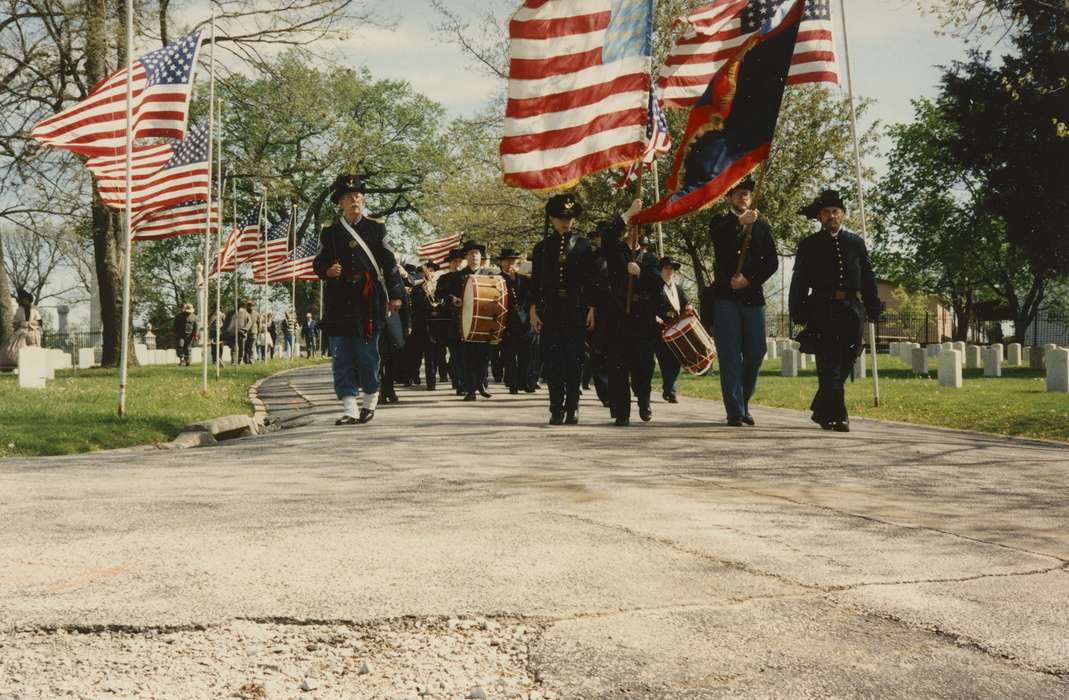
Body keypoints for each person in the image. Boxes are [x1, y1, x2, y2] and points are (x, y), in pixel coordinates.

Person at [314, 174, 404, 425]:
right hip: (339, 303)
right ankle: (349, 408)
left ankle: (370, 402)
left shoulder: (376, 227)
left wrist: (395, 294)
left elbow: (390, 264)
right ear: (340, 203)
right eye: (349, 197)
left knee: (368, 356)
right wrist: (326, 271)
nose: (355, 200)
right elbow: (318, 263)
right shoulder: (330, 232)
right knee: (342, 358)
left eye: (358, 196)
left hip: (369, 302)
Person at [790, 189, 881, 433]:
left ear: (843, 215)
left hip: (852, 310)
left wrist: (873, 306)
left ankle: (821, 408)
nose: (831, 216)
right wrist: (796, 310)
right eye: (826, 212)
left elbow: (868, 277)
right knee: (829, 362)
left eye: (836, 212)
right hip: (823, 309)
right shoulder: (809, 245)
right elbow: (799, 280)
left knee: (847, 361)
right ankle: (840, 416)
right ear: (820, 217)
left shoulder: (856, 243)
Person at [708, 177, 779, 427]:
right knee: (729, 355)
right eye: (738, 194)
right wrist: (739, 222)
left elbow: (772, 262)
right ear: (730, 197)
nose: (743, 198)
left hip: (752, 297)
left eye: (747, 194)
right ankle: (735, 411)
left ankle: (743, 402)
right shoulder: (720, 222)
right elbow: (718, 239)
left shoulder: (762, 227)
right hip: (726, 297)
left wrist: (749, 279)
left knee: (756, 351)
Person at [529, 193, 596, 425]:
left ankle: (573, 407)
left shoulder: (584, 245)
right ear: (553, 218)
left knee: (574, 360)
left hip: (575, 309)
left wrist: (591, 307)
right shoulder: (541, 248)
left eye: (569, 217)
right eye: (560, 217)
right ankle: (556, 408)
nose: (565, 222)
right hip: (551, 310)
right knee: (553, 360)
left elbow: (591, 281)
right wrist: (533, 309)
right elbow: (535, 283)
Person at [592, 207, 661, 426]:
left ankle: (644, 400)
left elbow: (659, 284)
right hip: (619, 316)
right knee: (618, 366)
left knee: (643, 366)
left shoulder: (650, 258)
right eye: (629, 227)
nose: (632, 232)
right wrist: (627, 213)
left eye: (636, 228)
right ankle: (621, 412)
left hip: (643, 319)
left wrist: (640, 272)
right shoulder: (616, 251)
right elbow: (609, 237)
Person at [439, 240, 494, 401]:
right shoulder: (457, 276)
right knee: (467, 356)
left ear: (480, 256)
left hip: (484, 321)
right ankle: (470, 389)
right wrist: (453, 299)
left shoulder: (490, 275)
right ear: (466, 257)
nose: (474, 256)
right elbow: (442, 293)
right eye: (471, 254)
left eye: (477, 253)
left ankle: (481, 383)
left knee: (484, 356)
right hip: (464, 320)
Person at [654, 256, 693, 403]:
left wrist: (688, 306)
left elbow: (686, 302)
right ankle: (670, 391)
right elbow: (649, 304)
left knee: (678, 360)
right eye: (666, 268)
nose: (669, 271)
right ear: (661, 270)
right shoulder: (655, 287)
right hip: (660, 328)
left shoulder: (678, 288)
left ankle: (669, 388)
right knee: (665, 360)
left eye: (671, 268)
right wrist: (654, 316)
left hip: (676, 328)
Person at [496, 247, 531, 395]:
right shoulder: (497, 279)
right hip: (506, 320)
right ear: (501, 262)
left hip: (523, 320)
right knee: (509, 354)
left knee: (525, 354)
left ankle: (525, 382)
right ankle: (513, 383)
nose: (510, 263)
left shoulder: (523, 278)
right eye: (507, 260)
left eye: (513, 260)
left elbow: (530, 297)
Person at [409, 260, 445, 390]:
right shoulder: (417, 288)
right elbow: (414, 306)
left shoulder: (439, 287)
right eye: (427, 270)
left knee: (432, 355)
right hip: (420, 324)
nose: (430, 273)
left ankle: (431, 382)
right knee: (417, 354)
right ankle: (414, 374)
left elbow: (442, 303)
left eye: (432, 271)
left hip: (435, 325)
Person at [436, 248, 468, 395]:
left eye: (460, 261)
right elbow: (439, 294)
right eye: (455, 261)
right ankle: (459, 383)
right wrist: (451, 298)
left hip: (468, 318)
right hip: (451, 319)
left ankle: (466, 382)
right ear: (450, 263)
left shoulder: (469, 276)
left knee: (466, 353)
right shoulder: (444, 278)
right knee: (456, 353)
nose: (457, 264)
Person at [0, 288, 43, 370]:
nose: (24, 301)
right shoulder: (19, 310)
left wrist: (30, 324)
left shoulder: (34, 310)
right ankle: (17, 362)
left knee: (34, 345)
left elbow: (39, 322)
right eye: (23, 299)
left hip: (32, 331)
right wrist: (21, 324)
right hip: (21, 331)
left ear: (29, 300)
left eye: (26, 299)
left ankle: (34, 363)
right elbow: (14, 322)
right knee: (15, 346)